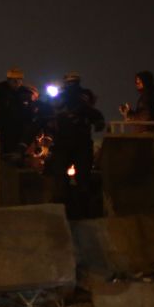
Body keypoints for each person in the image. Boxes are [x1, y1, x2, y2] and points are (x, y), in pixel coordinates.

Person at [46, 71, 105, 214]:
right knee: (82, 179)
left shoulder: (61, 97)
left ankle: (64, 209)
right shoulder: (85, 98)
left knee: (62, 178)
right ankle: (84, 210)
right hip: (80, 144)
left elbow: (49, 115)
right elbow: (97, 119)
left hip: (65, 145)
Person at [0, 66, 40, 157]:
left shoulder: (26, 94)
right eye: (13, 80)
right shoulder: (0, 93)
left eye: (18, 79)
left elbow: (31, 113)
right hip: (2, 128)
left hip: (20, 129)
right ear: (8, 80)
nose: (16, 82)